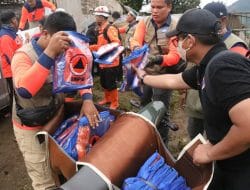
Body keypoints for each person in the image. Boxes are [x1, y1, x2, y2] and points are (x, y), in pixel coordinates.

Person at [133, 8, 250, 190]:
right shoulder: (207, 66)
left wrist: (211, 153)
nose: (176, 44)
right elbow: (175, 79)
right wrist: (143, 77)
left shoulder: (222, 65)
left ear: (190, 41)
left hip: (242, 167)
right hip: (230, 158)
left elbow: (248, 126)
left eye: (178, 39)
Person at [11, 11, 99, 190]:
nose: (64, 47)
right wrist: (50, 52)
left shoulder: (65, 49)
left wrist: (88, 99)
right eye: (59, 40)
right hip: (31, 128)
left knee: (62, 165)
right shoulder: (23, 56)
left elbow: (79, 75)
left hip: (56, 118)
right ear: (44, 33)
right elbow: (25, 90)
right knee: (44, 178)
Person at [185, 2, 249, 139]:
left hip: (216, 110)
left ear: (223, 20)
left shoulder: (236, 46)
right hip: (196, 105)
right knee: (194, 139)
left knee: (213, 141)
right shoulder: (202, 40)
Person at [130, 0, 182, 142]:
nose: (154, 11)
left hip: (164, 74)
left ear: (169, 7)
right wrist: (136, 49)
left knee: (161, 109)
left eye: (159, 7)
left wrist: (155, 58)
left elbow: (175, 56)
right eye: (152, 7)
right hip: (146, 73)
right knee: (144, 103)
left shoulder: (176, 26)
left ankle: (161, 143)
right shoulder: (145, 22)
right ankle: (144, 136)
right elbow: (135, 40)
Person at [90, 6, 121, 110]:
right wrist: (90, 47)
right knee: (104, 82)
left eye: (97, 16)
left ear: (102, 17)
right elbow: (101, 45)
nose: (95, 18)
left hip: (111, 63)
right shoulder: (101, 29)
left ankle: (115, 103)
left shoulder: (109, 28)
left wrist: (101, 49)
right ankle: (107, 99)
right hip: (102, 62)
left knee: (111, 84)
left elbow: (116, 43)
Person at [0, 11, 22, 116]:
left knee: (17, 93)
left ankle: (18, 113)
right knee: (15, 94)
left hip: (17, 68)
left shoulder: (11, 32)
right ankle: (15, 115)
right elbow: (10, 57)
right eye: (15, 18)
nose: (17, 20)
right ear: (12, 21)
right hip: (12, 71)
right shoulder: (5, 36)